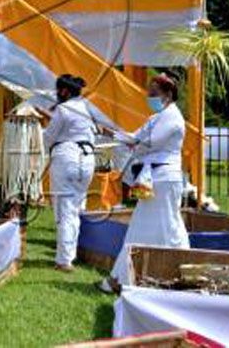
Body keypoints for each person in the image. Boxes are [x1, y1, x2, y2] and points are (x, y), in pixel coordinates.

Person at [100, 74, 190, 292]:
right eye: (149, 93)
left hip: (163, 179)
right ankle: (181, 271)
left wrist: (124, 139)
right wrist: (114, 133)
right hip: (154, 178)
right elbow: (136, 137)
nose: (149, 97)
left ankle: (121, 279)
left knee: (161, 226)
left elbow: (146, 142)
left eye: (154, 93)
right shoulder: (156, 117)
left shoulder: (172, 117)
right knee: (167, 226)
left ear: (168, 95)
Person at [42, 74, 97, 272]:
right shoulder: (86, 107)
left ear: (64, 91)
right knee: (75, 207)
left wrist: (38, 129)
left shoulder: (63, 109)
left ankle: (64, 260)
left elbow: (49, 137)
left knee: (64, 210)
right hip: (88, 159)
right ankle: (70, 254)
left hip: (67, 157)